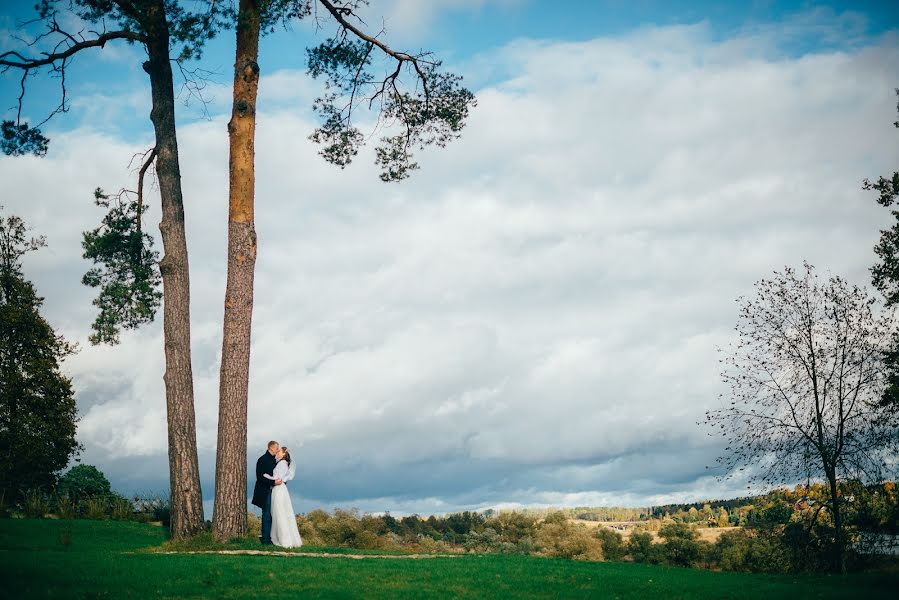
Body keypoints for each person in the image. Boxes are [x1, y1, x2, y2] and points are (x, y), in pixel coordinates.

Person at [264, 446, 303, 548]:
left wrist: (266, 476)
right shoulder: (282, 463)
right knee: (279, 513)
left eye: (279, 451)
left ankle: (284, 539)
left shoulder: (282, 464)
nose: (277, 452)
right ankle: (281, 537)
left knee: (279, 513)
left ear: (284, 454)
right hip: (279, 489)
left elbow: (278, 478)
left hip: (279, 489)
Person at [251, 440, 279, 545]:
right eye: (276, 448)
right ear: (271, 448)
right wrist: (273, 482)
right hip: (265, 491)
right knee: (267, 514)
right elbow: (260, 477)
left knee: (273, 515)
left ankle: (272, 538)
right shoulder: (262, 460)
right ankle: (266, 539)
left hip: (273, 490)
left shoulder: (274, 461)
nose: (278, 450)